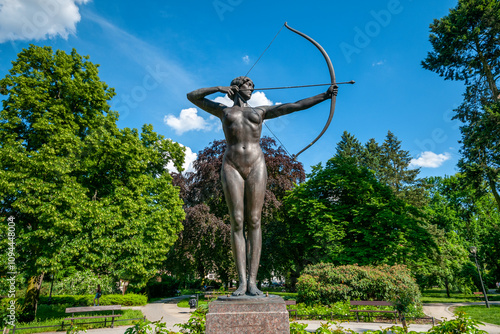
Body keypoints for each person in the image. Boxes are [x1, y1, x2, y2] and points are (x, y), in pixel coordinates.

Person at [187, 77, 336, 296]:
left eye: (253, 87)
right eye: (249, 86)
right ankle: (241, 283)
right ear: (237, 87)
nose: (252, 90)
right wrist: (218, 88)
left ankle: (253, 282)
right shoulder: (224, 111)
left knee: (255, 220)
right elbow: (193, 96)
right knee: (237, 221)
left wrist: (325, 95)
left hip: (256, 164)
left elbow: (292, 106)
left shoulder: (260, 111)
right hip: (232, 165)